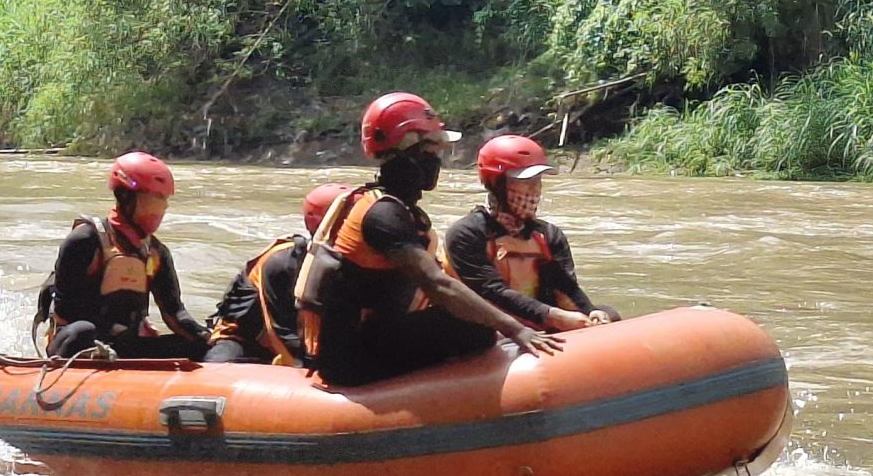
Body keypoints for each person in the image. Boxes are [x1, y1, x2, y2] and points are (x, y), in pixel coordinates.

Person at [296, 92, 562, 387]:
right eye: (432, 150)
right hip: (348, 360)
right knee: (470, 329)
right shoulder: (382, 214)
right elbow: (437, 285)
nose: (437, 161)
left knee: (467, 322)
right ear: (408, 150)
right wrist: (515, 328)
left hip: (366, 339)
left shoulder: (392, 207)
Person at [40, 151, 207, 359]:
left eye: (162, 202)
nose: (159, 211)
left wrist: (204, 335)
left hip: (124, 345)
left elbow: (175, 314)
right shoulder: (84, 241)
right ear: (125, 197)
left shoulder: (156, 253)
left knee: (194, 346)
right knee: (82, 331)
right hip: (78, 343)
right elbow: (66, 314)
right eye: (152, 201)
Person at [445, 134, 617, 333]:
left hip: (540, 319)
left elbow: (565, 286)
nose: (535, 189)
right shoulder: (467, 234)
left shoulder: (549, 235)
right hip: (491, 327)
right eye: (525, 181)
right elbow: (492, 291)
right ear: (498, 184)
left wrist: (589, 311)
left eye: (538, 181)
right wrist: (553, 316)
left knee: (608, 313)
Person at [206, 181, 341, 367]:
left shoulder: (356, 260)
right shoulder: (281, 262)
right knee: (219, 368)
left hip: (297, 337)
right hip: (246, 339)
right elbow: (279, 332)